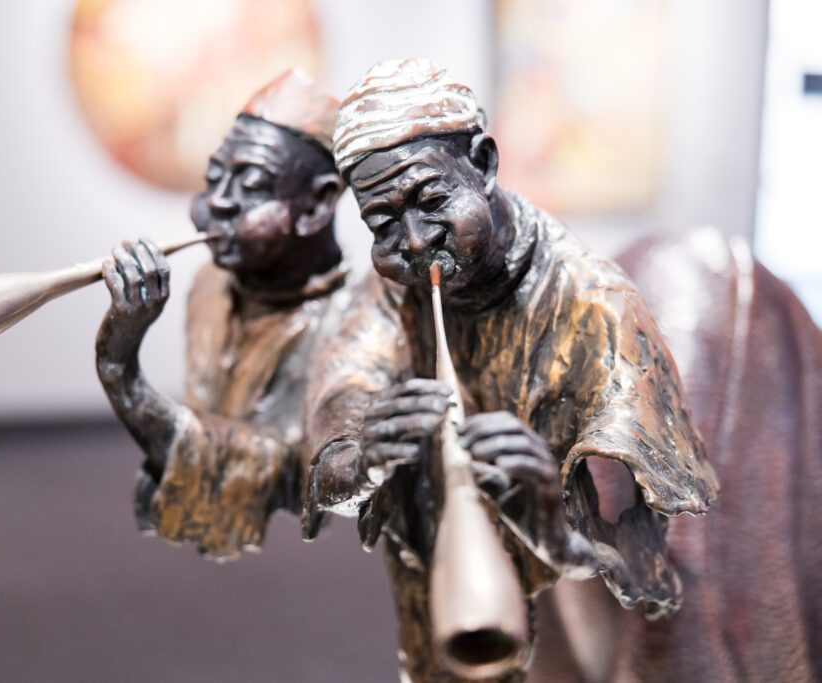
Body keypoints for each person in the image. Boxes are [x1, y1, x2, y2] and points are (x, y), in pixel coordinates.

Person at [303, 59, 718, 682]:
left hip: (574, 633)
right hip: (436, 604)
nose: (415, 243)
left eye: (432, 199)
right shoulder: (387, 295)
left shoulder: (597, 308)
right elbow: (331, 463)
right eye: (384, 225)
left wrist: (550, 526)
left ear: (485, 163)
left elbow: (652, 577)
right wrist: (363, 457)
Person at [96, 69, 346, 559]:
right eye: (214, 179)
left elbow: (289, 474)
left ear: (317, 204)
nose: (219, 202)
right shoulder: (210, 286)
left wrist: (120, 370)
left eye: (251, 184)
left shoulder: (357, 319)